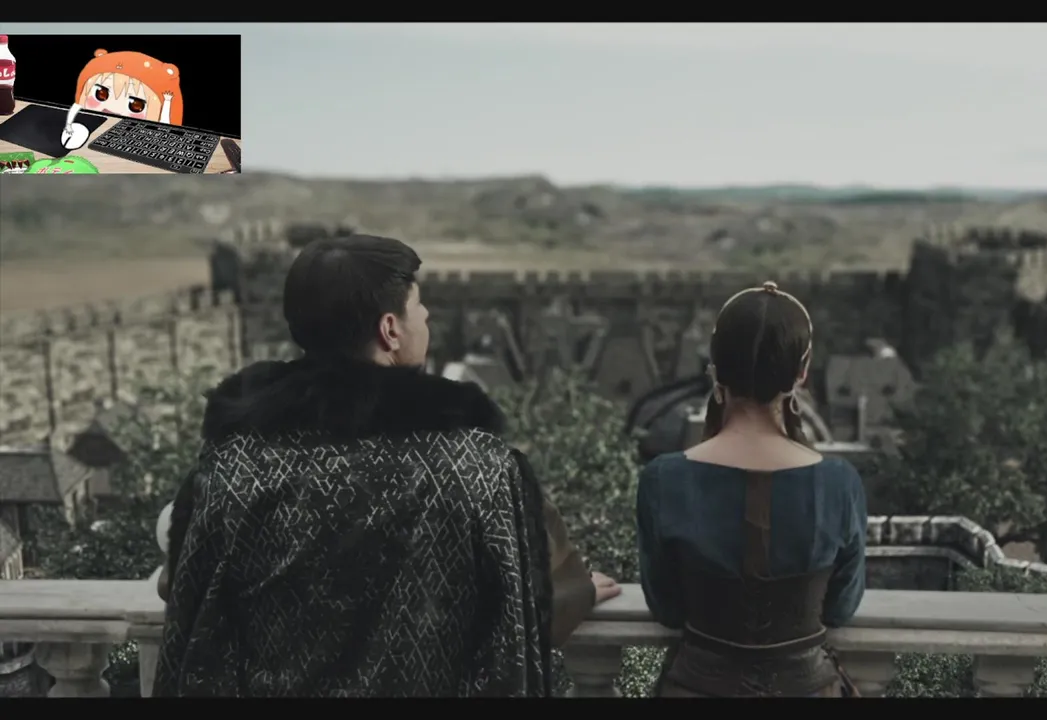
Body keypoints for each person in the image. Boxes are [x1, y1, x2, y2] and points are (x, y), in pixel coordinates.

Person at [155, 234, 619, 697]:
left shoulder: (233, 468)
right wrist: (578, 592)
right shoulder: (480, 469)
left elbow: (188, 596)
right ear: (390, 330)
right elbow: (532, 605)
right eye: (419, 309)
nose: (426, 319)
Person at [636, 280, 867, 698]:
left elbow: (667, 609)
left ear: (715, 367)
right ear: (801, 371)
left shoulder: (663, 479)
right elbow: (840, 608)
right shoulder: (839, 483)